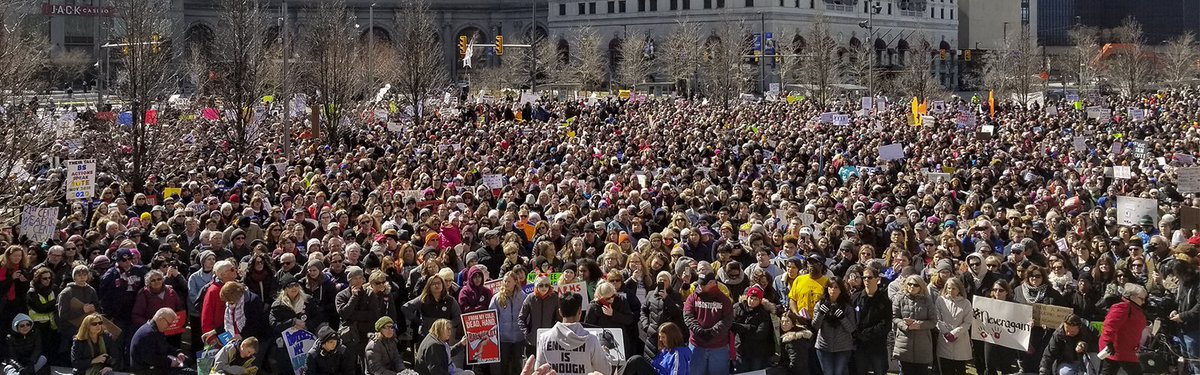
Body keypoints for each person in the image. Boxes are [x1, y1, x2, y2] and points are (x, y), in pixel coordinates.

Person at [534, 292, 618, 375]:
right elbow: (605, 371)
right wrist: (606, 353)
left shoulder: (544, 338)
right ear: (579, 312)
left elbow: (539, 370)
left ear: (560, 312)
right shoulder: (591, 340)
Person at [682, 272, 733, 375]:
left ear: (712, 283)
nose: (700, 286)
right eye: (699, 283)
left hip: (718, 347)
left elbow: (728, 319)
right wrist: (699, 331)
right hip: (697, 345)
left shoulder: (724, 299)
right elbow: (688, 316)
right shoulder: (692, 297)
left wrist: (713, 332)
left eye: (703, 284)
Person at [1097, 283, 1148, 375]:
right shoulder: (1123, 307)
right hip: (1118, 349)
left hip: (1124, 349)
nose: (1143, 302)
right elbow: (1110, 325)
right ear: (1132, 297)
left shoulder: (1133, 307)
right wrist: (1108, 342)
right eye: (1141, 299)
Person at [852, 265, 892, 375]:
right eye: (864, 277)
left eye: (869, 277)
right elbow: (851, 318)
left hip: (877, 345)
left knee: (880, 371)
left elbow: (886, 323)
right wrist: (858, 334)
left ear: (877, 280)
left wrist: (867, 333)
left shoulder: (885, 300)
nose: (866, 280)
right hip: (860, 345)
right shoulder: (856, 298)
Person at [893, 274, 935, 375]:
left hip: (922, 345)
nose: (912, 287)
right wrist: (905, 325)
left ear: (921, 286)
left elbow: (933, 321)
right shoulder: (900, 298)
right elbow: (895, 317)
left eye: (915, 285)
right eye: (909, 284)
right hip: (904, 343)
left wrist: (919, 324)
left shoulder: (927, 301)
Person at [814, 276, 856, 375]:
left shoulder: (847, 307)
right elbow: (815, 326)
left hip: (843, 347)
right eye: (830, 287)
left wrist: (842, 318)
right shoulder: (820, 304)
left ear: (841, 290)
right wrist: (820, 314)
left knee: (839, 373)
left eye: (836, 287)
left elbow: (851, 328)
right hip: (824, 347)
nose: (833, 290)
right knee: (828, 373)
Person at [489, 270, 528, 375]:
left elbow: (526, 315)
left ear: (515, 282)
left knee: (517, 365)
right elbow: (491, 317)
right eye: (505, 281)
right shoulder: (497, 298)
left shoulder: (522, 296)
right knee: (504, 366)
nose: (506, 284)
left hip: (518, 337)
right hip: (503, 338)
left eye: (509, 281)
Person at [128, 308, 187, 375]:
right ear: (161, 319)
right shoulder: (147, 334)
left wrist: (177, 352)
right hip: (144, 370)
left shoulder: (156, 330)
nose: (169, 327)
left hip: (152, 366)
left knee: (187, 362)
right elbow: (150, 358)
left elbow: (164, 346)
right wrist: (170, 362)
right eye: (169, 324)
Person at [638, 271, 684, 358]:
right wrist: (646, 326)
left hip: (668, 336)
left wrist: (667, 298)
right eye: (660, 280)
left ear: (669, 282)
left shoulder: (676, 296)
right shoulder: (650, 294)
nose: (662, 282)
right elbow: (643, 311)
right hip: (652, 335)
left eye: (665, 280)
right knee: (649, 363)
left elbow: (677, 313)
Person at [731, 284, 774, 372]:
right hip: (741, 349)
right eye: (751, 298)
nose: (752, 301)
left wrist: (742, 330)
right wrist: (750, 327)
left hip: (757, 351)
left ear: (760, 300)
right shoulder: (738, 308)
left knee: (756, 372)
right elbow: (732, 325)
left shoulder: (763, 313)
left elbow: (761, 333)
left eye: (755, 299)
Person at [621, 322, 691, 375]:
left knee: (636, 360)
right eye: (660, 337)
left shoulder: (679, 352)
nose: (660, 339)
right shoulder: (665, 350)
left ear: (671, 337)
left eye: (663, 337)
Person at [934, 278, 972, 375]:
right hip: (944, 340)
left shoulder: (966, 303)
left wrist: (954, 333)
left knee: (960, 370)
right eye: (949, 288)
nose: (951, 291)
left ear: (959, 289)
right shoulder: (940, 300)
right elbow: (937, 319)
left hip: (960, 341)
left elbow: (967, 322)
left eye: (954, 288)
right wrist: (946, 332)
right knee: (945, 369)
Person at [1168, 260, 1199, 375]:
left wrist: (1183, 316)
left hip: (1195, 328)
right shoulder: (1183, 284)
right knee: (1187, 358)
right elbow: (1181, 301)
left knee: (1196, 360)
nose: (1176, 279)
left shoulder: (1198, 283)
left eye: (1176, 276)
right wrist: (1176, 312)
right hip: (1183, 327)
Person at [519, 275, 561, 355]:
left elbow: (559, 318)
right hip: (533, 341)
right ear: (536, 286)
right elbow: (521, 318)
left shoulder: (555, 298)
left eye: (546, 285)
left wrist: (555, 332)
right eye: (541, 285)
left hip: (549, 339)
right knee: (532, 364)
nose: (544, 288)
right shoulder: (530, 298)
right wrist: (527, 333)